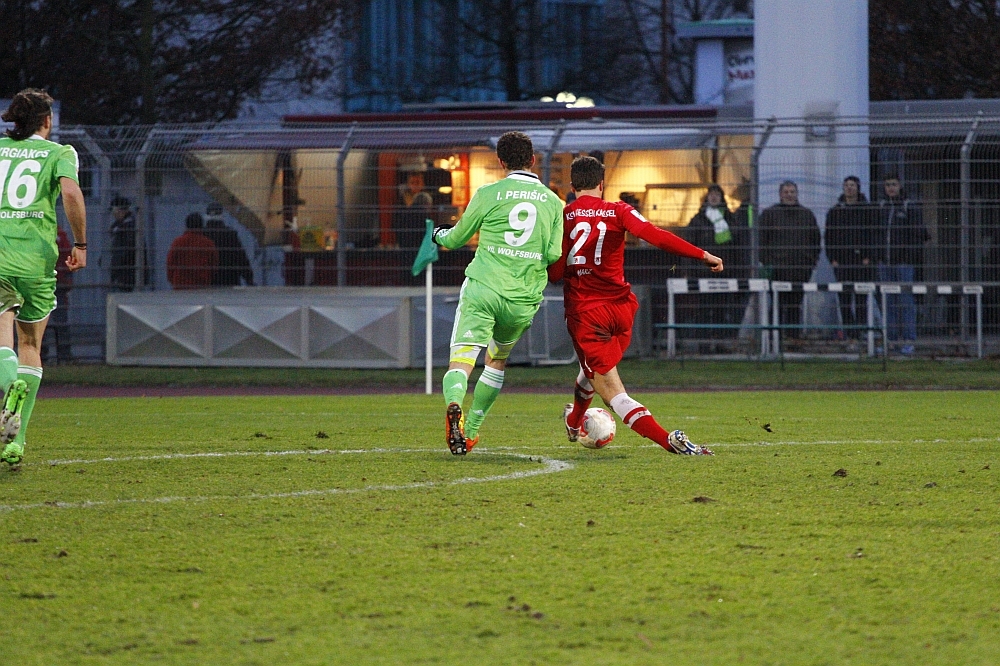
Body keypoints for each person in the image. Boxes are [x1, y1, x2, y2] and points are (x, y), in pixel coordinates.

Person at [550, 156, 723, 455]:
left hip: (588, 314)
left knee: (612, 392)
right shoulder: (619, 210)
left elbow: (554, 274)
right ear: (602, 184)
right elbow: (656, 236)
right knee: (592, 371)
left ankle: (669, 441)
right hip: (622, 310)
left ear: (572, 185)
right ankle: (574, 421)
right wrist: (702, 254)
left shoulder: (563, 216)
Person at [431, 131, 563, 455]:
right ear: (533, 160)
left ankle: (454, 405)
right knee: (497, 359)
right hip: (522, 298)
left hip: (484, 288)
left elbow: (456, 238)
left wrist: (437, 235)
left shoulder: (488, 193)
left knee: (463, 359)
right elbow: (554, 253)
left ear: (501, 162)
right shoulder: (553, 202)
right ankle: (472, 430)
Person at [0, 89, 88, 466]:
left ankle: (9, 386)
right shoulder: (60, 153)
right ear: (47, 121)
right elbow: (70, 192)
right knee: (30, 344)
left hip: (1, 254)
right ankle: (16, 442)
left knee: (2, 328)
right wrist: (80, 244)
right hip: (37, 261)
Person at [758, 181, 821, 336]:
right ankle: (774, 339)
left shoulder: (807, 215)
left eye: (792, 192)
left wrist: (810, 262)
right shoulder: (769, 214)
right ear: (780, 194)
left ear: (797, 193)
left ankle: (793, 340)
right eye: (786, 192)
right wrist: (767, 263)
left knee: (795, 307)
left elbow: (816, 240)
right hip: (776, 271)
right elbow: (760, 241)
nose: (789, 195)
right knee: (776, 306)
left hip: (800, 270)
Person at [876, 174, 928, 354]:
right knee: (888, 302)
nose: (890, 188)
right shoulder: (882, 207)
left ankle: (908, 340)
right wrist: (878, 255)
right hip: (885, 263)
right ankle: (890, 339)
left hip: (904, 264)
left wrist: (909, 256)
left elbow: (919, 235)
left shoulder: (908, 207)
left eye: (893, 184)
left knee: (905, 301)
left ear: (900, 186)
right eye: (887, 185)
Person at [686, 184, 747, 335]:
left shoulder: (730, 219)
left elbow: (737, 247)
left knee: (722, 310)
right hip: (703, 273)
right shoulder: (698, 220)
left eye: (717, 194)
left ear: (721, 198)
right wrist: (691, 271)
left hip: (724, 273)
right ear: (707, 197)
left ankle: (720, 342)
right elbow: (689, 246)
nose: (714, 197)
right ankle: (704, 343)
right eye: (711, 194)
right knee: (704, 311)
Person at [825, 176, 874, 339]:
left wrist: (868, 257)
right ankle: (851, 334)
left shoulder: (867, 210)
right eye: (846, 185)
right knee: (844, 300)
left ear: (858, 188)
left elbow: (873, 234)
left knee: (861, 300)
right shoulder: (835, 211)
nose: (849, 188)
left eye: (852, 185)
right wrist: (832, 258)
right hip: (841, 262)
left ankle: (861, 332)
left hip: (862, 262)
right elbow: (829, 236)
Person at [202, 203, 254, 286]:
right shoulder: (230, 234)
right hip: (230, 281)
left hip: (208, 283)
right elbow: (241, 259)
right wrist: (249, 279)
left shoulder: (202, 235)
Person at [166, 213, 219, 290]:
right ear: (201, 226)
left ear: (187, 225)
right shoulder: (208, 244)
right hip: (202, 286)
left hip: (180, 286)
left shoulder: (178, 242)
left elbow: (170, 263)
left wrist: (173, 280)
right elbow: (214, 265)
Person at [108, 194, 144, 290]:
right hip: (128, 273)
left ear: (120, 210)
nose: (113, 214)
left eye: (114, 210)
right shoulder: (128, 226)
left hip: (126, 274)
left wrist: (114, 268)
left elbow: (124, 252)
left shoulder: (126, 228)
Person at [393, 169, 433, 249]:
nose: (415, 185)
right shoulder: (402, 202)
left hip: (424, 240)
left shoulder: (427, 200)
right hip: (406, 241)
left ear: (422, 184)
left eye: (417, 182)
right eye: (412, 183)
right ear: (408, 184)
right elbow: (396, 223)